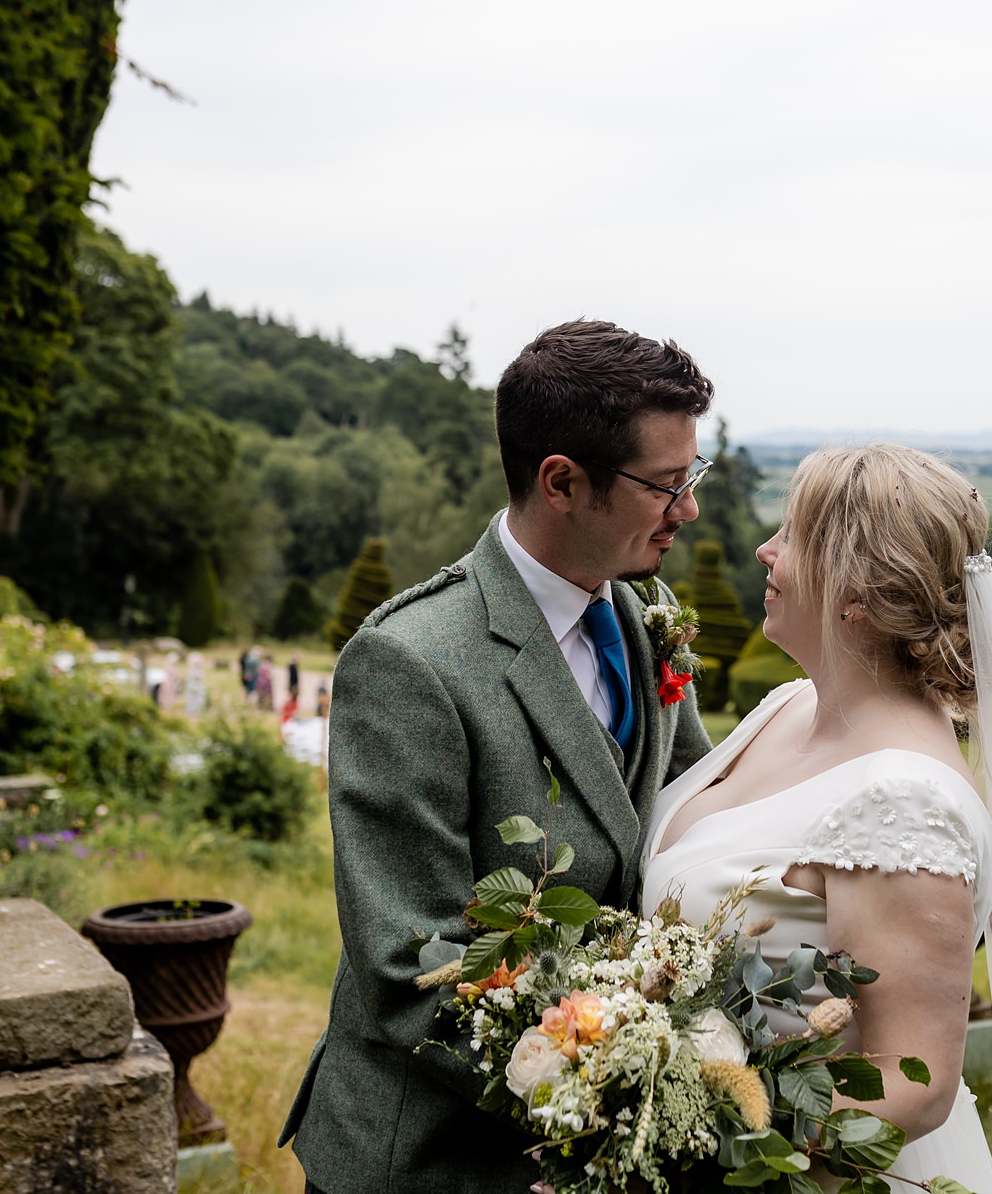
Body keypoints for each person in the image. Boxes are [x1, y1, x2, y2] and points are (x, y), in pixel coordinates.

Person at [279, 320, 719, 1194]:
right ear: (562, 480)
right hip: (439, 1158)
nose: (690, 509)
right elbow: (415, 964)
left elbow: (697, 808)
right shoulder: (412, 660)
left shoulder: (646, 612)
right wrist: (615, 1085)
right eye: (666, 484)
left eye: (692, 477)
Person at [642, 444, 992, 1192]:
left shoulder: (905, 799)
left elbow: (914, 1079)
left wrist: (687, 1143)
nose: (766, 551)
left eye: (793, 536)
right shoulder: (791, 705)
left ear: (858, 592)